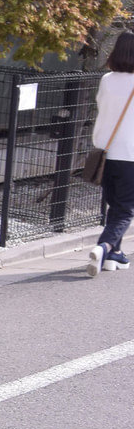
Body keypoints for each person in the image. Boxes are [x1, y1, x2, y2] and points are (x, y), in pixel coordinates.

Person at [87, 30, 134, 278]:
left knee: (114, 206)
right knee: (125, 210)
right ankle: (104, 247)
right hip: (131, 154)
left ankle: (115, 255)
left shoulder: (106, 80)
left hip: (105, 154)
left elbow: (101, 106)